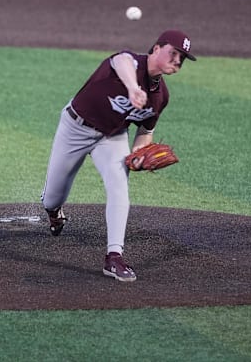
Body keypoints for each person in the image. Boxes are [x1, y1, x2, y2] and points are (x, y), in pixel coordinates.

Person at [40, 30, 196, 282]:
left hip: (111, 138)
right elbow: (120, 61)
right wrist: (133, 87)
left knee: (119, 188)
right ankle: (54, 211)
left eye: (183, 58)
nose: (178, 60)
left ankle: (114, 257)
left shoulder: (160, 97)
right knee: (52, 197)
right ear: (156, 48)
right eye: (174, 53)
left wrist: (138, 156)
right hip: (75, 127)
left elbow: (146, 132)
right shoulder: (130, 62)